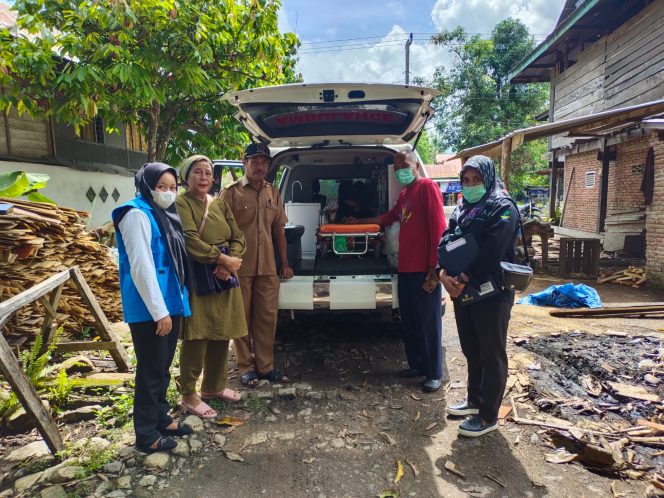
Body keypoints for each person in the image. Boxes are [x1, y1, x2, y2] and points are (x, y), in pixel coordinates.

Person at [346, 150, 446, 392]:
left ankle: (434, 372)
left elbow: (439, 229)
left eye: (405, 164)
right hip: (406, 267)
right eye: (397, 165)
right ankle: (417, 364)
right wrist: (357, 222)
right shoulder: (405, 194)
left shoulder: (427, 188)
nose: (401, 168)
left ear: (416, 166)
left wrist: (435, 269)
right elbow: (388, 217)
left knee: (429, 322)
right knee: (410, 320)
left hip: (425, 269)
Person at [112, 162, 192, 454]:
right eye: (162, 187)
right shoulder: (135, 214)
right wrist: (159, 312)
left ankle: (160, 418)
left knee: (163, 366)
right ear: (147, 186)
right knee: (151, 369)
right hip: (149, 307)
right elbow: (142, 266)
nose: (168, 193)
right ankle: (146, 435)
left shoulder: (162, 214)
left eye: (173, 188)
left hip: (169, 300)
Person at [438, 155, 519, 437]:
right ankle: (474, 400)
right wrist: (443, 274)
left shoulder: (503, 208)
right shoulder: (463, 207)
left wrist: (462, 277)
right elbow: (447, 240)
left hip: (492, 291)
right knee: (472, 349)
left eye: (477, 180)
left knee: (491, 352)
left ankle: (488, 416)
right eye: (466, 180)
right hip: (463, 291)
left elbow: (493, 249)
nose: (471, 185)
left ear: (489, 178)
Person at [175, 155, 248, 419]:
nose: (204, 177)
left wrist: (229, 263)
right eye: (198, 172)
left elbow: (238, 236)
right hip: (200, 275)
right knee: (198, 334)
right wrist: (220, 258)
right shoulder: (181, 203)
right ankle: (188, 394)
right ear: (186, 176)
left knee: (222, 331)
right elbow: (189, 239)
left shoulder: (218, 204)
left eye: (208, 173)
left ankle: (214, 388)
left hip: (225, 276)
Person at [220, 143, 294, 388]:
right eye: (255, 161)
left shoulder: (273, 193)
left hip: (268, 268)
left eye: (264, 162)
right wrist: (223, 262)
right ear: (245, 162)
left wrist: (284, 263)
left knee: (267, 318)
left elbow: (278, 230)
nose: (260, 166)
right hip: (239, 267)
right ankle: (245, 367)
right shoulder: (230, 193)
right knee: (241, 318)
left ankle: (266, 366)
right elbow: (219, 231)